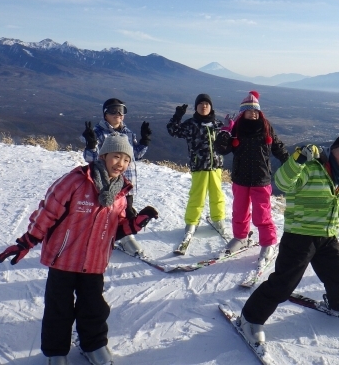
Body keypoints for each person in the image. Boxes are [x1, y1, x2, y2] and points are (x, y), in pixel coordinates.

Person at [0, 134, 159, 365]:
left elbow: (116, 230)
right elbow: (47, 212)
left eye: (125, 160)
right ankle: (56, 352)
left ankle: (93, 345)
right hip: (63, 259)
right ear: (103, 156)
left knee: (94, 308)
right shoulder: (76, 181)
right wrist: (27, 241)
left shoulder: (121, 194)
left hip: (94, 263)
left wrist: (136, 222)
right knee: (58, 309)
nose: (120, 163)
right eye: (116, 156)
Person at [239, 131, 339, 347]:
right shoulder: (311, 168)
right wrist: (298, 160)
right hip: (300, 236)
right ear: (334, 148)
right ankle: (250, 317)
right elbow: (282, 182)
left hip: (326, 236)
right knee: (284, 282)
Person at [214, 91, 289, 260]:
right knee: (239, 210)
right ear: (243, 112)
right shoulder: (236, 128)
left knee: (262, 213)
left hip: (260, 178)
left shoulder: (266, 127)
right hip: (240, 177)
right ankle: (240, 237)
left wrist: (289, 162)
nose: (253, 113)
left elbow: (277, 146)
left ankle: (268, 242)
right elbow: (221, 149)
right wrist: (225, 132)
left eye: (256, 110)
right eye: (249, 110)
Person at [82, 98, 151, 256]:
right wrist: (91, 144)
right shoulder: (99, 133)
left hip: (127, 183)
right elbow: (90, 158)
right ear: (105, 114)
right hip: (108, 182)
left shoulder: (127, 133)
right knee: (106, 210)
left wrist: (145, 141)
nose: (118, 114)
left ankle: (122, 236)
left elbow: (135, 156)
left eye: (121, 110)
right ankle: (100, 236)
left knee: (126, 211)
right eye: (113, 110)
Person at [166, 93, 227, 243]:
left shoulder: (217, 125)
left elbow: (229, 138)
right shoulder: (191, 124)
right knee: (197, 196)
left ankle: (218, 220)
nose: (204, 106)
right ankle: (191, 222)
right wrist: (177, 116)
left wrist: (231, 127)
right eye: (201, 104)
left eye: (207, 103)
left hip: (216, 167)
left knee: (217, 195)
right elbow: (173, 130)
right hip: (199, 166)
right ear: (196, 107)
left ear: (211, 107)